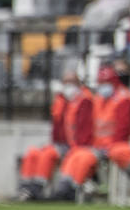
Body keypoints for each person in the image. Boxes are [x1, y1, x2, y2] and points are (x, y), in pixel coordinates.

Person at [53, 65, 130, 201]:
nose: (104, 86)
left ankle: (72, 189)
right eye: (102, 83)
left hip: (114, 146)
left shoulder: (123, 99)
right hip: (98, 145)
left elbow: (124, 128)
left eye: (107, 83)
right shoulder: (98, 99)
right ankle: (65, 187)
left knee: (84, 157)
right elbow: (92, 125)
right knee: (76, 154)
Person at [16, 70, 95, 201]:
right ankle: (26, 187)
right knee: (33, 152)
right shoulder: (62, 100)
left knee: (48, 154)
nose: (68, 86)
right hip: (61, 143)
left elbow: (84, 128)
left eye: (71, 82)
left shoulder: (85, 100)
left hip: (75, 145)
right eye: (66, 83)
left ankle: (38, 188)